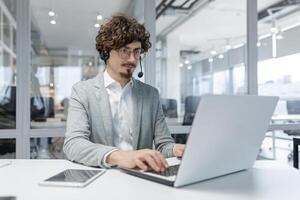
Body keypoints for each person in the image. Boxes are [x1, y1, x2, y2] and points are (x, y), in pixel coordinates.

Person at [63, 14, 185, 172]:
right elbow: (73, 144)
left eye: (136, 52)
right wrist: (120, 156)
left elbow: (163, 145)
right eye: (124, 51)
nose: (132, 59)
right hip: (100, 177)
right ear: (106, 52)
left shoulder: (150, 94)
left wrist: (176, 149)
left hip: (140, 178)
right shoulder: (82, 91)